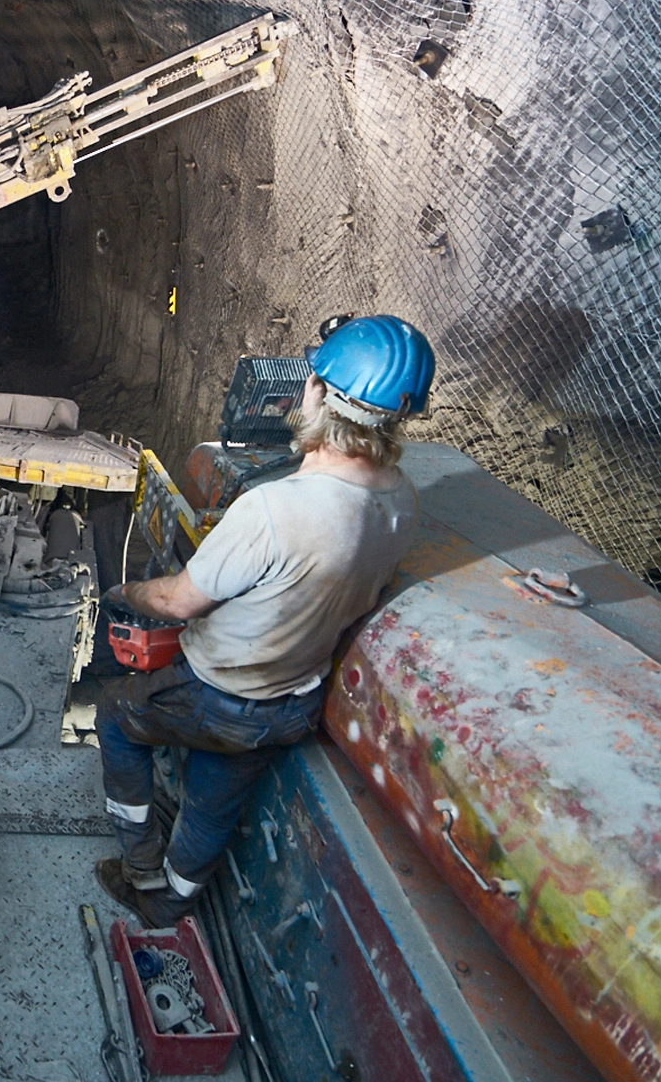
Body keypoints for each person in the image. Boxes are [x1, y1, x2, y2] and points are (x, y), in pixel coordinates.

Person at [94, 314, 436, 926]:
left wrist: (127, 592)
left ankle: (139, 863)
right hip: (291, 702)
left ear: (321, 396)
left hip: (218, 694)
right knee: (211, 804)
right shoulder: (401, 501)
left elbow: (178, 603)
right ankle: (169, 902)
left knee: (118, 716)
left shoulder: (274, 511)